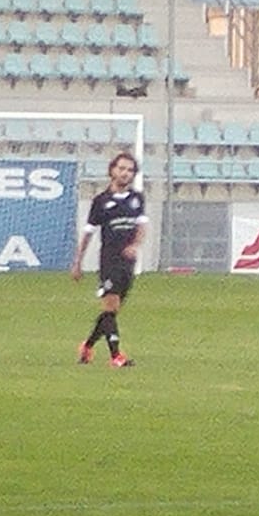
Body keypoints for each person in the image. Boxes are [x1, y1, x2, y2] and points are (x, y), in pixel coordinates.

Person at [71, 151, 145, 367]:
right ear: (112, 170)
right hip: (109, 261)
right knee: (110, 306)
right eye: (121, 168)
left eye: (130, 170)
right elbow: (88, 234)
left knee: (110, 312)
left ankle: (87, 346)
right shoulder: (101, 201)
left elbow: (141, 227)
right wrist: (78, 262)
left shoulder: (136, 199)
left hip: (127, 264)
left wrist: (135, 246)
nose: (125, 173)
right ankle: (116, 357)